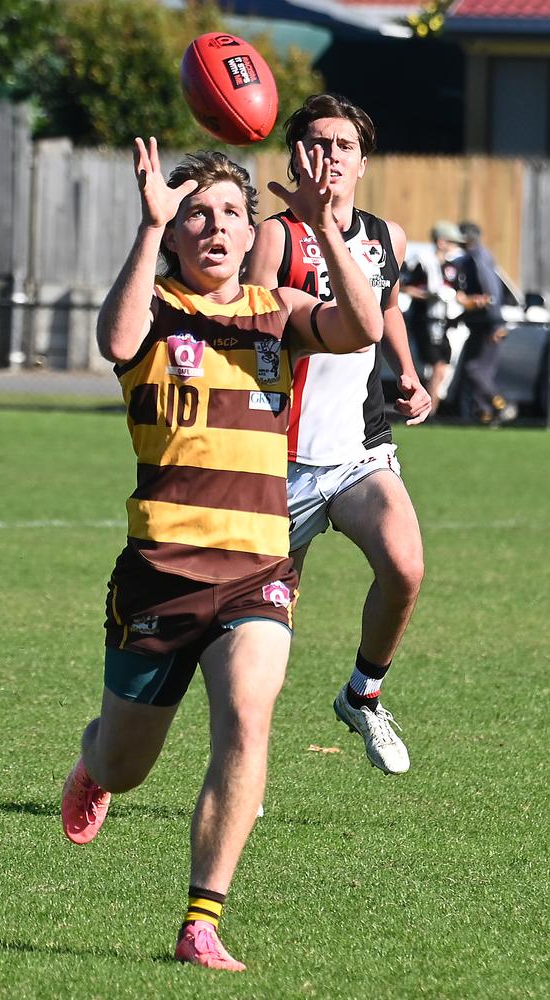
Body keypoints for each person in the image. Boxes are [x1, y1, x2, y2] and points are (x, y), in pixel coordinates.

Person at [60, 136, 383, 972]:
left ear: (250, 235)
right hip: (161, 575)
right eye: (195, 215)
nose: (214, 227)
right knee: (129, 766)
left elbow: (362, 325)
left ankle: (202, 919)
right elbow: (116, 339)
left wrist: (323, 229)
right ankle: (95, 760)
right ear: (176, 233)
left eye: (231, 215)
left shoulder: (278, 311)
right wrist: (146, 228)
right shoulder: (155, 306)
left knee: (246, 718)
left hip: (256, 571)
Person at [247, 93, 430, 777]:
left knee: (405, 565)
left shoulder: (387, 237)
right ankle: (245, 764)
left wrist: (409, 374)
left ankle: (363, 695)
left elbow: (387, 311)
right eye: (318, 143)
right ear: (297, 157)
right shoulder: (277, 236)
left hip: (358, 449)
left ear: (362, 160)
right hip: (280, 460)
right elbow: (251, 333)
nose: (330, 155)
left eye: (344, 145)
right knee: (263, 634)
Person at [454, 221, 518, 425]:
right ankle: (486, 414)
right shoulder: (472, 257)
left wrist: (496, 324)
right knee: (481, 371)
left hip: (488, 325)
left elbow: (492, 294)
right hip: (480, 324)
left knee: (474, 370)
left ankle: (502, 405)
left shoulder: (478, 258)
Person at [401, 220, 465, 415]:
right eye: (452, 242)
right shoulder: (421, 261)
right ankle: (427, 410)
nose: (455, 247)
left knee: (441, 367)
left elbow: (458, 293)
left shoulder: (451, 266)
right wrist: (428, 294)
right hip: (423, 321)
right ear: (441, 241)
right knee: (434, 367)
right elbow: (402, 286)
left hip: (443, 323)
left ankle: (429, 409)